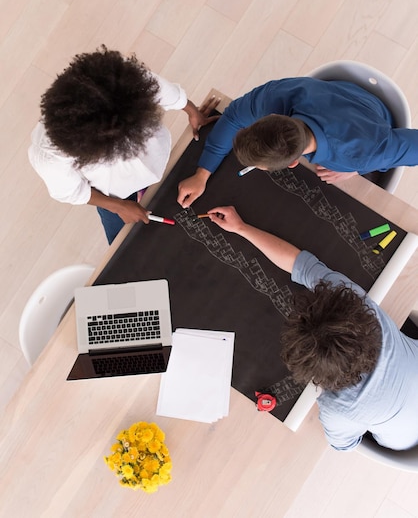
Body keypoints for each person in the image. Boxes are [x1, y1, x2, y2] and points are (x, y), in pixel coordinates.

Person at [205, 205, 418, 451]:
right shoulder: (368, 316)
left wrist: (242, 228)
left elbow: (345, 445)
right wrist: (241, 227)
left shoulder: (340, 409)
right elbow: (301, 265)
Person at [29, 46, 219, 244]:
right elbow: (74, 192)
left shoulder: (120, 80)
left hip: (158, 159)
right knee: (124, 244)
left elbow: (165, 92)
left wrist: (192, 111)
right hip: (113, 192)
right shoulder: (49, 155)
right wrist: (117, 206)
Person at [177, 77, 418, 208]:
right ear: (270, 117)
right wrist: (202, 173)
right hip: (338, 94)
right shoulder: (277, 95)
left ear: (293, 163)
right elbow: (231, 118)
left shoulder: (368, 153)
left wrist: (357, 168)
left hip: (375, 118)